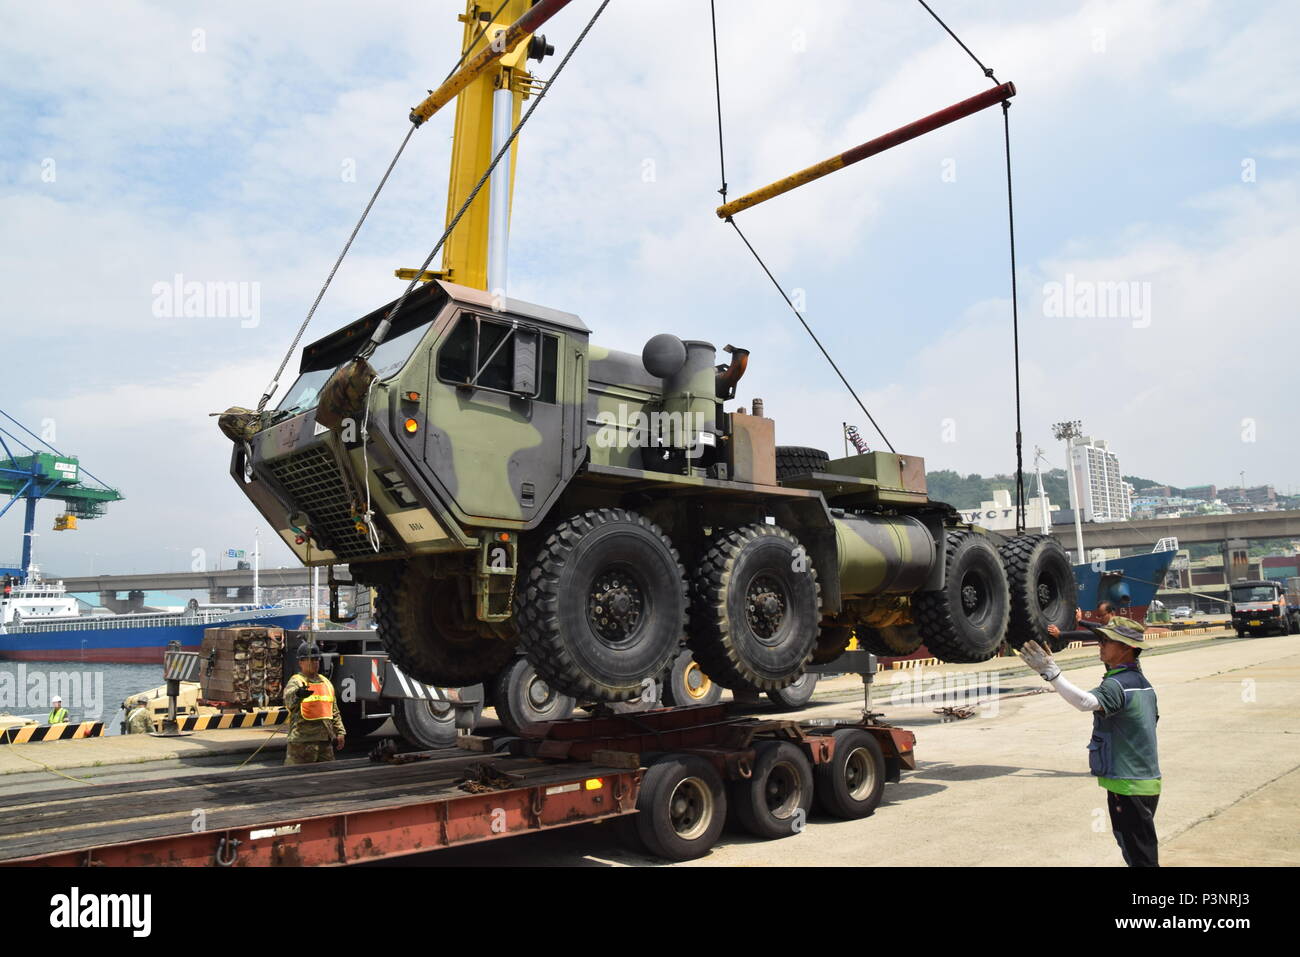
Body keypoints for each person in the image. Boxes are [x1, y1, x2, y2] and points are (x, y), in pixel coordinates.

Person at [1018, 617, 1161, 867]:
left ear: (1126, 647)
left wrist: (1051, 673)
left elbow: (1085, 702)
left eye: (1107, 641)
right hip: (1145, 781)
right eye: (1101, 639)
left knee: (1141, 857)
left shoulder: (1118, 685)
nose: (1100, 644)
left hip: (1128, 785)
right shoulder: (1141, 683)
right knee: (1139, 850)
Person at [282, 641, 345, 765]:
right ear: (301, 662)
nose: (314, 663)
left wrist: (340, 732)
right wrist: (298, 694)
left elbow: (334, 710)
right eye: (310, 659)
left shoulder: (325, 682)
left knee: (328, 778)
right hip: (302, 742)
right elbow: (288, 700)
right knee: (295, 778)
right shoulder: (297, 682)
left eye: (317, 659)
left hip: (324, 742)